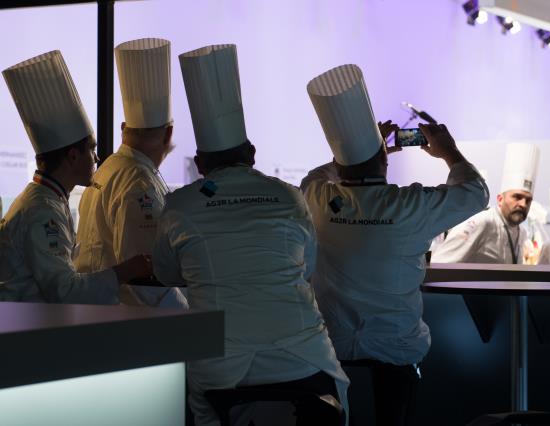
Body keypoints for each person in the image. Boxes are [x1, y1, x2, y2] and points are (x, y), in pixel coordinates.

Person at [152, 44, 349, 426]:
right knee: (336, 401)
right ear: (253, 153)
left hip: (220, 362)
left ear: (201, 164)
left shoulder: (180, 205)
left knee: (203, 406)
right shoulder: (288, 195)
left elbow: (166, 274)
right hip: (302, 353)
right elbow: (305, 265)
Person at [301, 64, 489, 426]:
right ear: (384, 158)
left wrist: (354, 155)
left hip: (330, 353)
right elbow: (475, 192)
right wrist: (450, 153)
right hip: (396, 353)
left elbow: (316, 176)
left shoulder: (319, 198)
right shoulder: (410, 205)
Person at [0, 50, 151, 303]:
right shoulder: (41, 211)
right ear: (72, 156)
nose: (96, 158)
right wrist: (125, 271)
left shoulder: (46, 199)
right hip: (22, 332)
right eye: (91, 150)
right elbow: (64, 291)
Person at [74, 38, 186, 308]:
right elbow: (144, 276)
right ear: (169, 133)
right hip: (124, 321)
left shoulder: (109, 168)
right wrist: (188, 313)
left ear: (123, 128)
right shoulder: (139, 182)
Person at [430, 142, 540, 264]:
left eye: (528, 200)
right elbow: (440, 264)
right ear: (500, 199)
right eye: (517, 197)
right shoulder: (481, 222)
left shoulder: (521, 232)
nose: (523, 204)